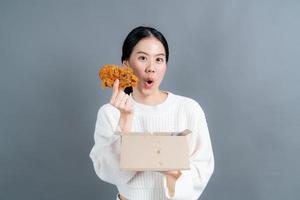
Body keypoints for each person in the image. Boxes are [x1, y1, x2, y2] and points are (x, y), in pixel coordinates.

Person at [89, 26, 214, 200]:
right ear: (126, 65)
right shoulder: (110, 113)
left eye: (159, 60)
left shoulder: (188, 109)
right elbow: (108, 172)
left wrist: (174, 172)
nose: (151, 68)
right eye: (142, 58)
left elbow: (204, 166)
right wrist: (125, 120)